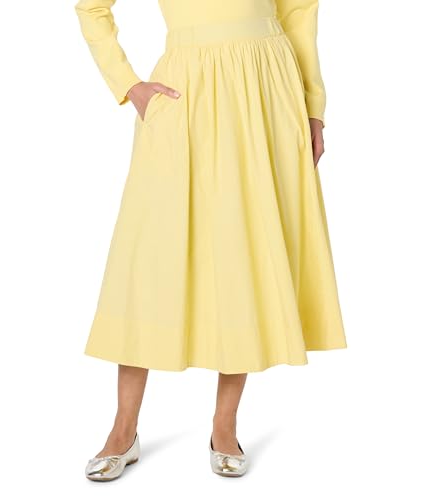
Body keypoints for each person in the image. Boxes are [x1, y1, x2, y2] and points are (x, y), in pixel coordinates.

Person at [74, 0, 347, 480]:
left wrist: (313, 108)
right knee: (148, 258)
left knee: (244, 247)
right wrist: (129, 85)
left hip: (267, 87)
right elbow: (91, 7)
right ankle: (123, 429)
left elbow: (299, 11)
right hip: (186, 90)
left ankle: (225, 425)